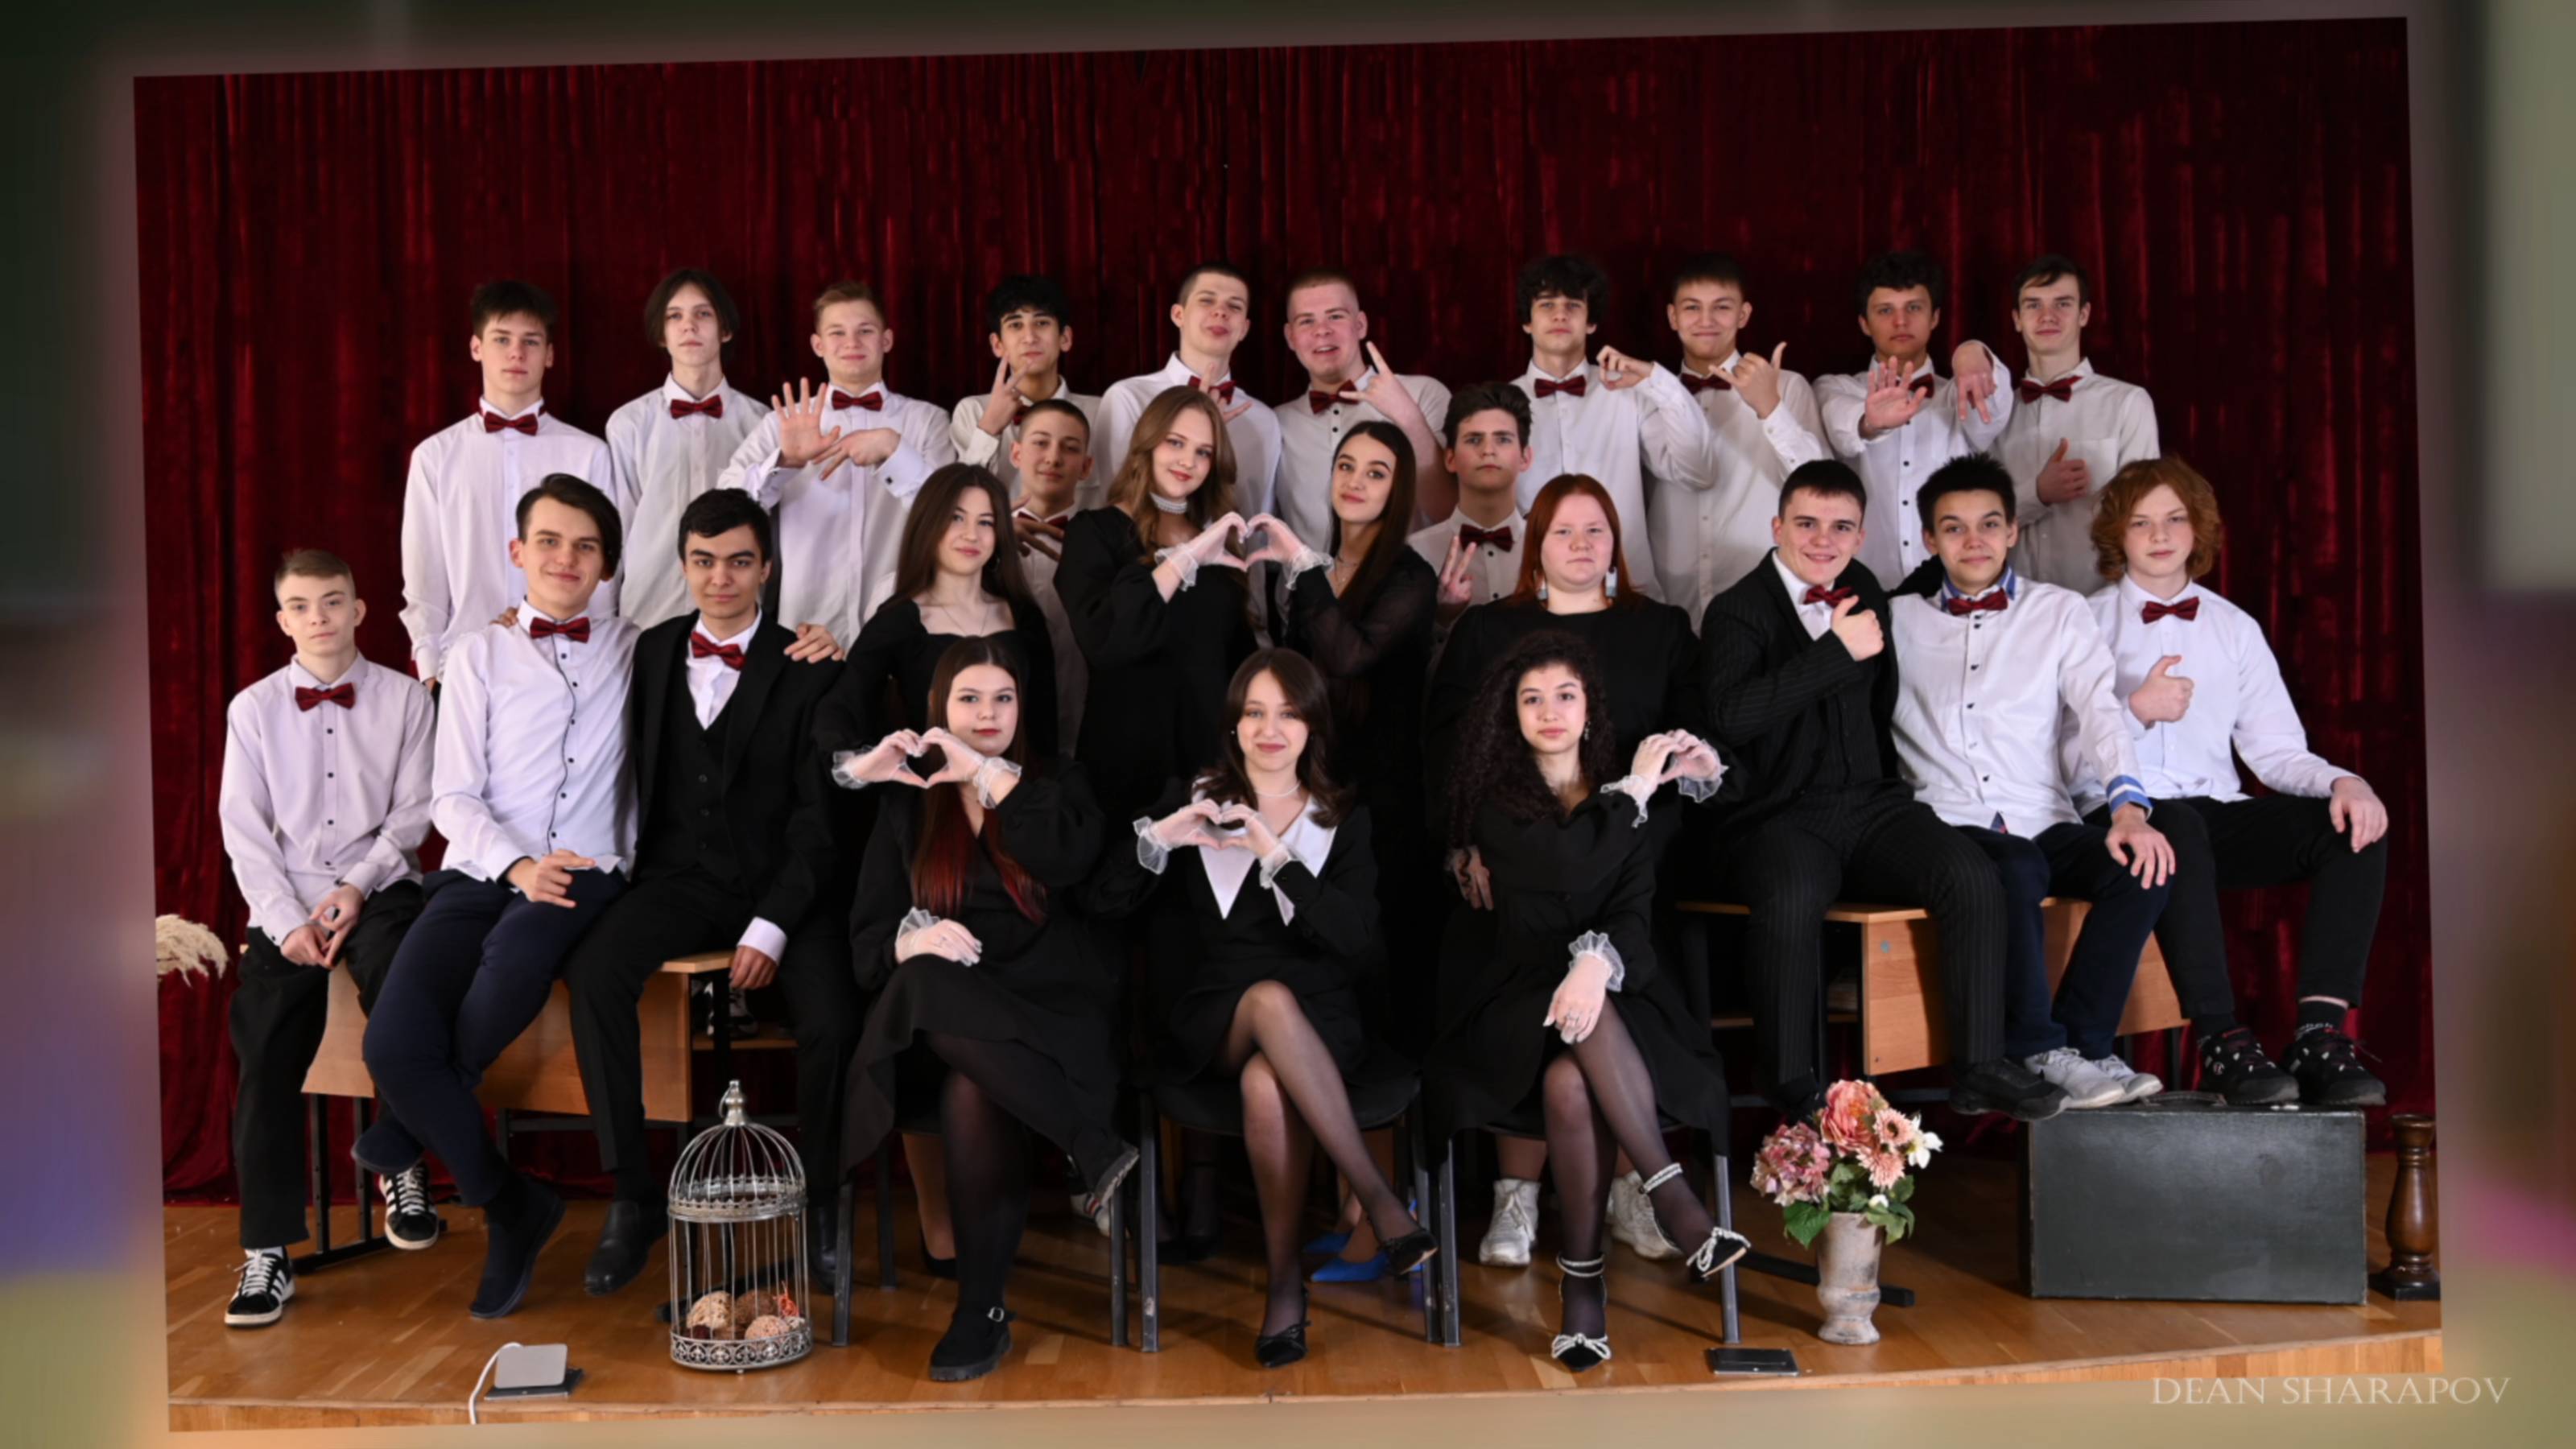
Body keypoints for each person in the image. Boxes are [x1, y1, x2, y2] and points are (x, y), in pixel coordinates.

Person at [1084, 650, 1436, 1368]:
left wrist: (1277, 855)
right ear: (1234, 725)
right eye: (1254, 713)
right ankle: (1381, 1202)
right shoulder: (1194, 799)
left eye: (1289, 713)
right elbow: (1102, 903)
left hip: (1322, 1024)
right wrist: (1160, 837)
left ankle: (1283, 1289)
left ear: (1313, 727)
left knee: (1266, 1081)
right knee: (1267, 1003)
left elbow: (1355, 941)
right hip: (1215, 1018)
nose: (1270, 730)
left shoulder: (1343, 817)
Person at [1697, 460, 2066, 1122]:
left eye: (1841, 527)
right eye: (1807, 524)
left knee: (1970, 873)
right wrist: (1834, 653)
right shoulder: (1736, 610)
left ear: (1861, 535)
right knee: (1792, 893)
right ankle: (1792, 1084)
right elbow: (1730, 718)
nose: (1823, 540)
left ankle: (1980, 1066)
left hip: (1870, 805)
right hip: (1779, 816)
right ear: (1777, 527)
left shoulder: (1864, 586)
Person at [557, 489, 857, 1297]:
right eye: (703, 561)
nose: (720, 578)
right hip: (679, 881)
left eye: (738, 562)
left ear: (767, 569)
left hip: (789, 888)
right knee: (595, 974)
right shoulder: (650, 649)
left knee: (833, 1020)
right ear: (683, 565)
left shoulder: (813, 663)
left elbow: (821, 820)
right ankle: (632, 1196)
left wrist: (773, 924)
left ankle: (824, 1204)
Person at [1423, 632, 1745, 1373]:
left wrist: (1597, 964)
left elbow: (1634, 913)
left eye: (1565, 696)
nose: (1550, 712)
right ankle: (1672, 1196)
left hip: (1617, 998)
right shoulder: (1497, 806)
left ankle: (1583, 1288)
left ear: (1590, 708)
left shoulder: (1618, 799)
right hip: (1519, 1002)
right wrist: (1634, 793)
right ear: (1512, 717)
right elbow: (1567, 862)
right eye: (1532, 700)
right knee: (1570, 1048)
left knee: (1572, 1082)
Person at [355, 477, 637, 1319]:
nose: (565, 559)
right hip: (481, 869)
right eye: (548, 541)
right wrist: (515, 866)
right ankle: (512, 1203)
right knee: (391, 1047)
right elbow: (451, 797)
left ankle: (414, 1130)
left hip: (588, 867)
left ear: (608, 565)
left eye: (585, 546)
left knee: (515, 957)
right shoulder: (477, 655)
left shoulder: (641, 649)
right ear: (517, 552)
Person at [1421, 473, 1705, 1268]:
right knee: (1532, 1006)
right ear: (1534, 546)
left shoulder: (1659, 628)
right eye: (1561, 532)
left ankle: (1628, 1192)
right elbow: (1446, 750)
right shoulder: (1488, 630)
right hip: (1514, 887)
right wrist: (1461, 844)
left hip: (1633, 875)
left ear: (1617, 543)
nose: (1580, 545)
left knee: (1610, 1008)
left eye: (1595, 530)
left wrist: (1642, 819)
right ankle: (1520, 1194)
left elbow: (1693, 741)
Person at [837, 638, 1138, 1383]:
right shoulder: (911, 798)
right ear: (938, 709)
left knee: (972, 1082)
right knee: (925, 987)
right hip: (952, 1024)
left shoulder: (1057, 784)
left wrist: (983, 774)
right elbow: (868, 945)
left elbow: (1067, 861)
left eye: (1003, 698)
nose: (987, 713)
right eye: (968, 699)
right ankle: (1090, 1146)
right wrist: (912, 941)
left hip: (1053, 1013)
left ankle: (981, 1313)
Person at [2074, 459, 2391, 1106]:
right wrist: (2136, 710)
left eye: (2174, 519)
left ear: (2198, 528)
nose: (2160, 535)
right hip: (2115, 814)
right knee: (2177, 822)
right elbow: (2052, 754)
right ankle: (2219, 1040)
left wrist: (2345, 781)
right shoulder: (2080, 622)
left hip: (2213, 812)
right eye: (2141, 522)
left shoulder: (2234, 627)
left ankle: (2319, 1035)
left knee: (2351, 830)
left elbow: (2276, 751)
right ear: (2117, 534)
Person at [1888, 456, 2178, 1108]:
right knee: (2013, 867)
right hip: (1949, 825)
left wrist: (2128, 808)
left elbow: (2100, 710)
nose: (1975, 541)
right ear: (1930, 539)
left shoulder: (2060, 611)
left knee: (2142, 868)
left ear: (2014, 530)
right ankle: (2037, 1049)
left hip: (2041, 816)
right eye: (1955, 528)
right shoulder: (1895, 620)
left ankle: (2084, 1044)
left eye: (1989, 524)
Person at [217, 549, 436, 1327]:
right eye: (302, 606)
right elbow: (245, 833)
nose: (320, 617)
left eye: (333, 601)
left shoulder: (407, 698)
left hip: (379, 886)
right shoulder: (253, 709)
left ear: (359, 609)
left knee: (406, 991)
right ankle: (267, 1250)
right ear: (283, 620)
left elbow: (415, 813)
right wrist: (288, 923)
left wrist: (357, 886)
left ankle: (399, 1158)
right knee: (265, 1050)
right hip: (288, 897)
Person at [1261, 422, 1441, 1278]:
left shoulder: (1406, 574)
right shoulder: (1312, 575)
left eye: (1377, 471)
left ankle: (1383, 1215)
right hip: (1321, 811)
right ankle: (1348, 1207)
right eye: (1345, 466)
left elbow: (1346, 656)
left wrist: (1302, 568)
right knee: (1334, 995)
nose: (1356, 481)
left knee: (1385, 1002)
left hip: (1389, 817)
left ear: (1398, 490)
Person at [715, 280, 956, 658]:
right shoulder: (781, 422)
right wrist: (786, 462)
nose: (852, 342)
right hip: (804, 628)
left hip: (905, 627)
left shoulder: (928, 422)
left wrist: (894, 452)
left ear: (887, 340)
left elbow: (950, 518)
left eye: (865, 331)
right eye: (837, 332)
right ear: (818, 345)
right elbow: (727, 507)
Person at [1053, 385, 1260, 821]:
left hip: (1210, 766)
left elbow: (1238, 663)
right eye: (1175, 443)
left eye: (1203, 452)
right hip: (1126, 762)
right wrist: (1184, 559)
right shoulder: (1094, 533)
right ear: (1147, 443)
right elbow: (1106, 643)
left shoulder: (1220, 543)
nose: (1188, 461)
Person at [399, 280, 617, 688]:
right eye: (502, 339)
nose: (517, 353)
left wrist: (598, 655)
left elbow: (603, 572)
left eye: (531, 341)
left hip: (569, 665)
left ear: (549, 355)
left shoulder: (590, 454)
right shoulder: (435, 457)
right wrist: (430, 672)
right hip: (462, 669)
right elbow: (424, 575)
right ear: (476, 347)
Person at [819, 462, 1062, 763]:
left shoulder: (1024, 617)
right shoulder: (899, 620)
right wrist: (861, 769)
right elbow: (842, 712)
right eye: (956, 518)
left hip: (1016, 786)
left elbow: (1044, 729)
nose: (971, 535)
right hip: (930, 785)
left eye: (986, 522)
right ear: (928, 523)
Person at [1508, 254, 1715, 603]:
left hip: (1627, 593)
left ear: (1591, 322)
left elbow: (1697, 472)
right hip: (1532, 595)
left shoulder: (1631, 393)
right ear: (1527, 322)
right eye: (1546, 305)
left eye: (1573, 305)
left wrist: (1658, 382)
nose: (1560, 315)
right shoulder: (1501, 406)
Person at [1814, 251, 2017, 588]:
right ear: (1864, 323)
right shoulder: (1837, 388)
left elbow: (1992, 413)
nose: (1900, 321)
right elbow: (1842, 428)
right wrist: (1871, 422)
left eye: (1914, 308)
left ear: (1935, 317)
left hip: (1952, 588)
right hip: (1861, 587)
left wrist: (1974, 351)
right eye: (1885, 310)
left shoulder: (1956, 393)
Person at [1657, 252, 1830, 625]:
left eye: (1721, 307)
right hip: (1669, 601)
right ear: (1673, 317)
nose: (1706, 321)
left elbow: (1820, 487)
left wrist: (1771, 408)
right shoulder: (1650, 395)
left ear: (1743, 314)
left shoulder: (1788, 386)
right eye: (1692, 308)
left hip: (1762, 601)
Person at [606, 269, 771, 627]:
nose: (689, 326)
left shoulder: (763, 424)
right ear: (661, 334)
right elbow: (617, 528)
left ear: (725, 330)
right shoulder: (628, 424)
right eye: (674, 316)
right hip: (650, 610)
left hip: (740, 614)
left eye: (703, 314)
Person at [1995, 255, 2161, 591]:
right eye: (2033, 305)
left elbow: (2144, 515)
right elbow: (1979, 519)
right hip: (2014, 608)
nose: (2047, 316)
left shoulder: (2128, 404)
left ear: (2084, 314)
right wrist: (2037, 494)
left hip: (2101, 604)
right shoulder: (1996, 414)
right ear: (2017, 319)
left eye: (2063, 303)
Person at [1096, 262, 1282, 526]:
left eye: (1234, 306)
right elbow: (1115, 504)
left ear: (1244, 329)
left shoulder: (1263, 419)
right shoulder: (1127, 398)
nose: (1220, 312)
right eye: (1207, 300)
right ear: (1178, 315)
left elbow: (1260, 521)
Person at [1274, 268, 1453, 541]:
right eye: (1306, 321)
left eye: (1335, 316)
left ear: (1360, 325)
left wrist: (1409, 419)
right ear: (1290, 337)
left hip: (1407, 569)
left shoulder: (1423, 393)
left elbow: (1449, 512)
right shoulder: (1275, 422)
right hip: (1307, 571)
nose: (1322, 330)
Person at [951, 275, 1105, 506]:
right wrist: (989, 428)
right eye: (1016, 325)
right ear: (997, 344)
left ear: (1065, 338)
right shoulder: (973, 411)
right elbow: (959, 504)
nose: (1030, 337)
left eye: (1041, 323)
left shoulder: (1103, 412)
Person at [1408, 382, 1534, 648]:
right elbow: (1396, 658)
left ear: (1525, 457)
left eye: (1503, 439)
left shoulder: (1550, 549)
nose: (1488, 450)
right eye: (1474, 439)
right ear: (1450, 459)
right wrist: (1439, 619)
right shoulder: (1413, 554)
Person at [1005, 398, 1096, 751]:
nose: (1053, 457)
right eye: (1041, 443)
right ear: (1016, 454)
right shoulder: (981, 542)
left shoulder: (1103, 542)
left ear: (1086, 466)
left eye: (1069, 448)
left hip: (1085, 726)